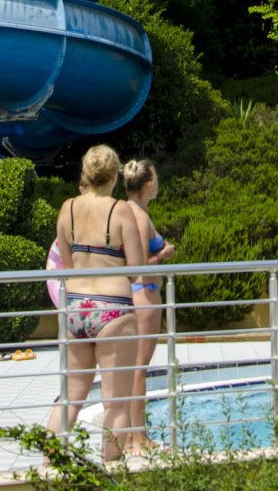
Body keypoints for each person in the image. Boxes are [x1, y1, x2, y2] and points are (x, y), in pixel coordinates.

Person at [46, 145, 147, 462]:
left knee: (72, 398)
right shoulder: (121, 211)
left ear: (86, 173)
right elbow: (136, 270)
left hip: (76, 308)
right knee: (115, 404)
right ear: (115, 175)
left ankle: (48, 464)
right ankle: (112, 472)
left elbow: (66, 261)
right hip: (113, 309)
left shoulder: (68, 208)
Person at [121, 159, 173, 455]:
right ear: (149, 184)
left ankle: (132, 436)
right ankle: (138, 439)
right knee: (139, 369)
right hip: (145, 294)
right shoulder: (139, 216)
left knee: (133, 369)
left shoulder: (126, 210)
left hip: (137, 294)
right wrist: (164, 254)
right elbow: (139, 264)